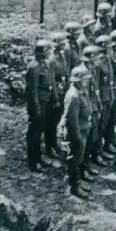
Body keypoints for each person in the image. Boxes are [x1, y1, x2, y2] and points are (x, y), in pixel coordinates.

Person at [60, 65, 94, 198]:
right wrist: (77, 138)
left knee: (79, 159)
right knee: (74, 160)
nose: (88, 81)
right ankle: (74, 187)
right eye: (85, 79)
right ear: (78, 80)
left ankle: (78, 182)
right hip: (76, 133)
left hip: (83, 130)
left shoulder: (80, 91)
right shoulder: (73, 96)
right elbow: (71, 121)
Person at [24, 39, 55, 172]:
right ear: (43, 52)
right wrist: (36, 108)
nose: (50, 52)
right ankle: (33, 161)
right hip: (37, 104)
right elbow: (33, 91)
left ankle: (38, 157)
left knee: (41, 131)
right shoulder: (34, 67)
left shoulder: (45, 63)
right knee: (35, 134)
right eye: (49, 50)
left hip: (45, 102)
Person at [80, 45, 105, 178]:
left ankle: (88, 163)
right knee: (85, 141)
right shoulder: (83, 73)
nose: (99, 60)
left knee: (92, 138)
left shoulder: (92, 70)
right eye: (97, 58)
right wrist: (90, 112)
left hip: (94, 108)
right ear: (91, 59)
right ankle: (82, 170)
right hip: (87, 111)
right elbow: (84, 96)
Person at [46, 31, 71, 163]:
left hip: (63, 90)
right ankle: (50, 146)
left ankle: (55, 143)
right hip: (55, 93)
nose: (64, 45)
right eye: (62, 43)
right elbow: (51, 81)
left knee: (57, 120)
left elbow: (66, 73)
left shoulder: (62, 55)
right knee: (51, 121)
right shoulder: (51, 59)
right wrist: (55, 97)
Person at [95, 34, 116, 161]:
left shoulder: (108, 59)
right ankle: (98, 152)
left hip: (109, 95)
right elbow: (96, 85)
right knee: (101, 126)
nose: (112, 49)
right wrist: (99, 101)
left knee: (110, 121)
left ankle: (108, 144)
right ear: (104, 48)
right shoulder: (98, 63)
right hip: (102, 98)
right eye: (110, 47)